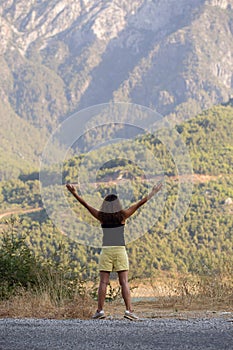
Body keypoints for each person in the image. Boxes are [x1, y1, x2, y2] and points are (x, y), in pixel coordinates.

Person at [66, 182, 163, 320]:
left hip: (106, 250)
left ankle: (100, 310)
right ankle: (129, 311)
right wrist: (153, 191)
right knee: (124, 282)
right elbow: (140, 203)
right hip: (120, 250)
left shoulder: (101, 216)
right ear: (118, 205)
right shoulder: (123, 215)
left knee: (103, 282)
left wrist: (74, 193)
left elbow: (85, 205)